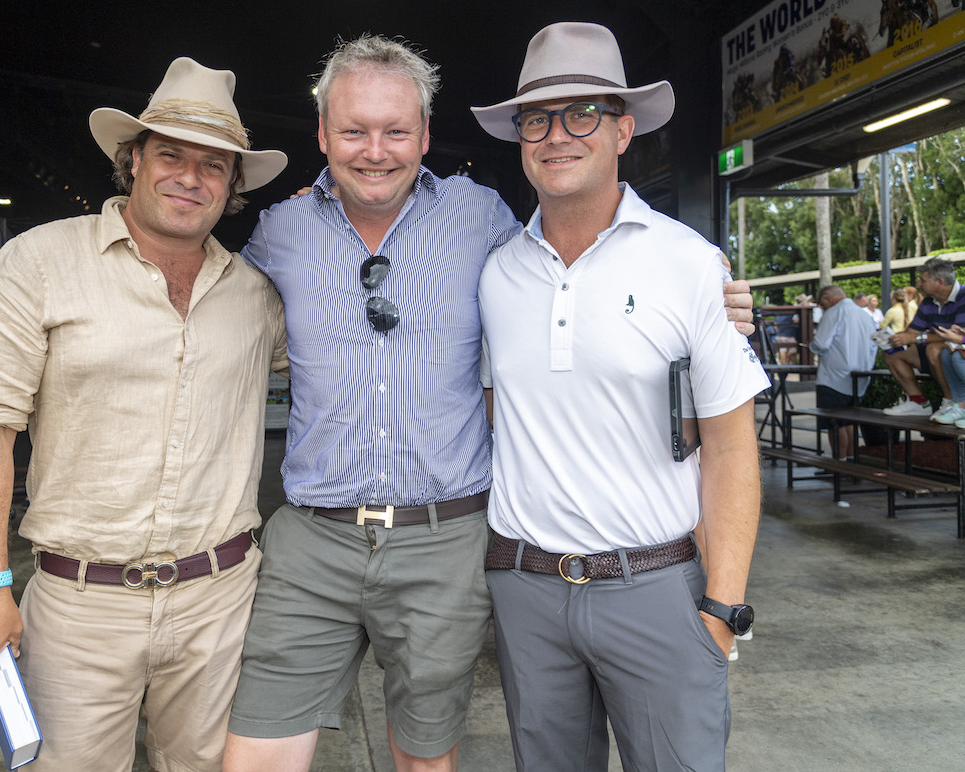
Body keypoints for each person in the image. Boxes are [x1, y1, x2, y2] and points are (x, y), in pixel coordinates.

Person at [222, 34, 756, 772]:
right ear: (323, 134)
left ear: (426, 136)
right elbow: (218, 313)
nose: (375, 150)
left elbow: (723, 436)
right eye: (353, 130)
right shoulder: (289, 232)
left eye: (396, 130)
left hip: (492, 546)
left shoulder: (489, 225)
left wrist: (713, 301)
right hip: (367, 547)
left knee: (437, 750)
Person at [0, 58, 288, 771]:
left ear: (231, 188)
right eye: (170, 153)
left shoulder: (257, 296)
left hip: (219, 602)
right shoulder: (37, 264)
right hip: (81, 606)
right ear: (131, 160)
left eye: (213, 165)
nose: (189, 177)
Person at [471, 22, 769, 771]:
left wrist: (722, 610)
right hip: (527, 590)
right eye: (536, 118)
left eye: (582, 114)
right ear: (519, 137)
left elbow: (732, 447)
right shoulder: (494, 274)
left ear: (623, 129)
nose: (556, 135)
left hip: (658, 589)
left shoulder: (689, 264)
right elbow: (493, 415)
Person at [880, 257, 965, 419]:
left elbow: (956, 337)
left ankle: (951, 403)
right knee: (893, 353)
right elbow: (911, 332)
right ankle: (918, 402)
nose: (918, 284)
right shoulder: (928, 301)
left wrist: (916, 338)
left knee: (934, 349)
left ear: (939, 282)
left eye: (922, 280)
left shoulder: (964, 296)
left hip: (956, 355)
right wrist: (899, 338)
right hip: (938, 356)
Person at [810, 285, 878, 458]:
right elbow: (873, 347)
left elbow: (821, 344)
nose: (822, 308)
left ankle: (839, 464)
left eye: (821, 304)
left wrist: (811, 346)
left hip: (832, 378)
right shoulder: (865, 315)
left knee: (835, 424)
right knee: (849, 423)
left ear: (827, 300)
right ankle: (850, 461)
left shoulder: (833, 313)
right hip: (859, 378)